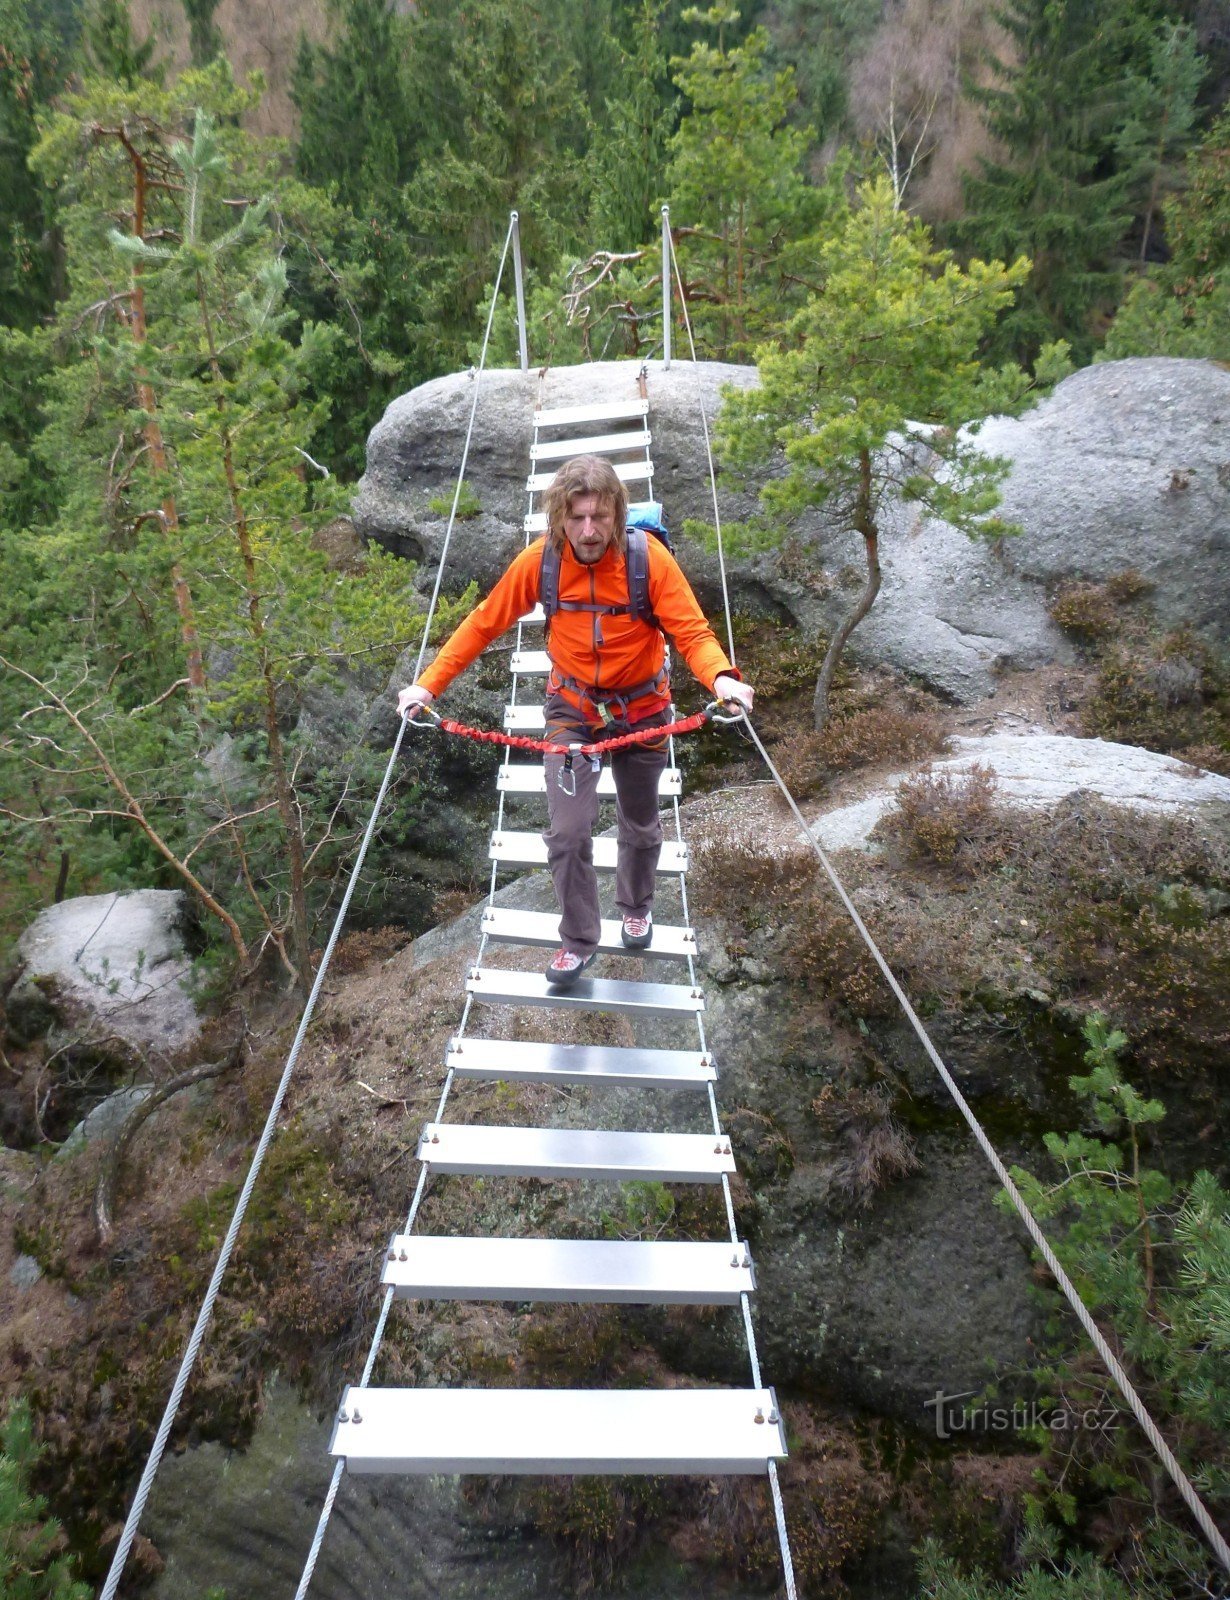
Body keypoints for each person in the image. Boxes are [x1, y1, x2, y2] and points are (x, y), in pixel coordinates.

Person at [398, 454, 754, 985]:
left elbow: (691, 632)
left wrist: (721, 677)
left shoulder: (648, 560)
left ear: (617, 514)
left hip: (643, 708)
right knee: (566, 834)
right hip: (573, 708)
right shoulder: (540, 563)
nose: (588, 531)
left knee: (639, 821)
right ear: (558, 519)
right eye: (576, 518)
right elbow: (483, 624)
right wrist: (428, 684)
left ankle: (636, 905)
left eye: (600, 517)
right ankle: (579, 939)